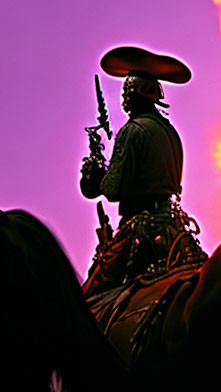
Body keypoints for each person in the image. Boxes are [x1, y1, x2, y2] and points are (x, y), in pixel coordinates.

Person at [79, 45, 206, 296]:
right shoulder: (170, 131)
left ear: (133, 95)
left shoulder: (132, 131)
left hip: (139, 229)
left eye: (126, 94)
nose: (124, 101)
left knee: (89, 298)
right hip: (172, 226)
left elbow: (113, 189)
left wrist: (96, 178)